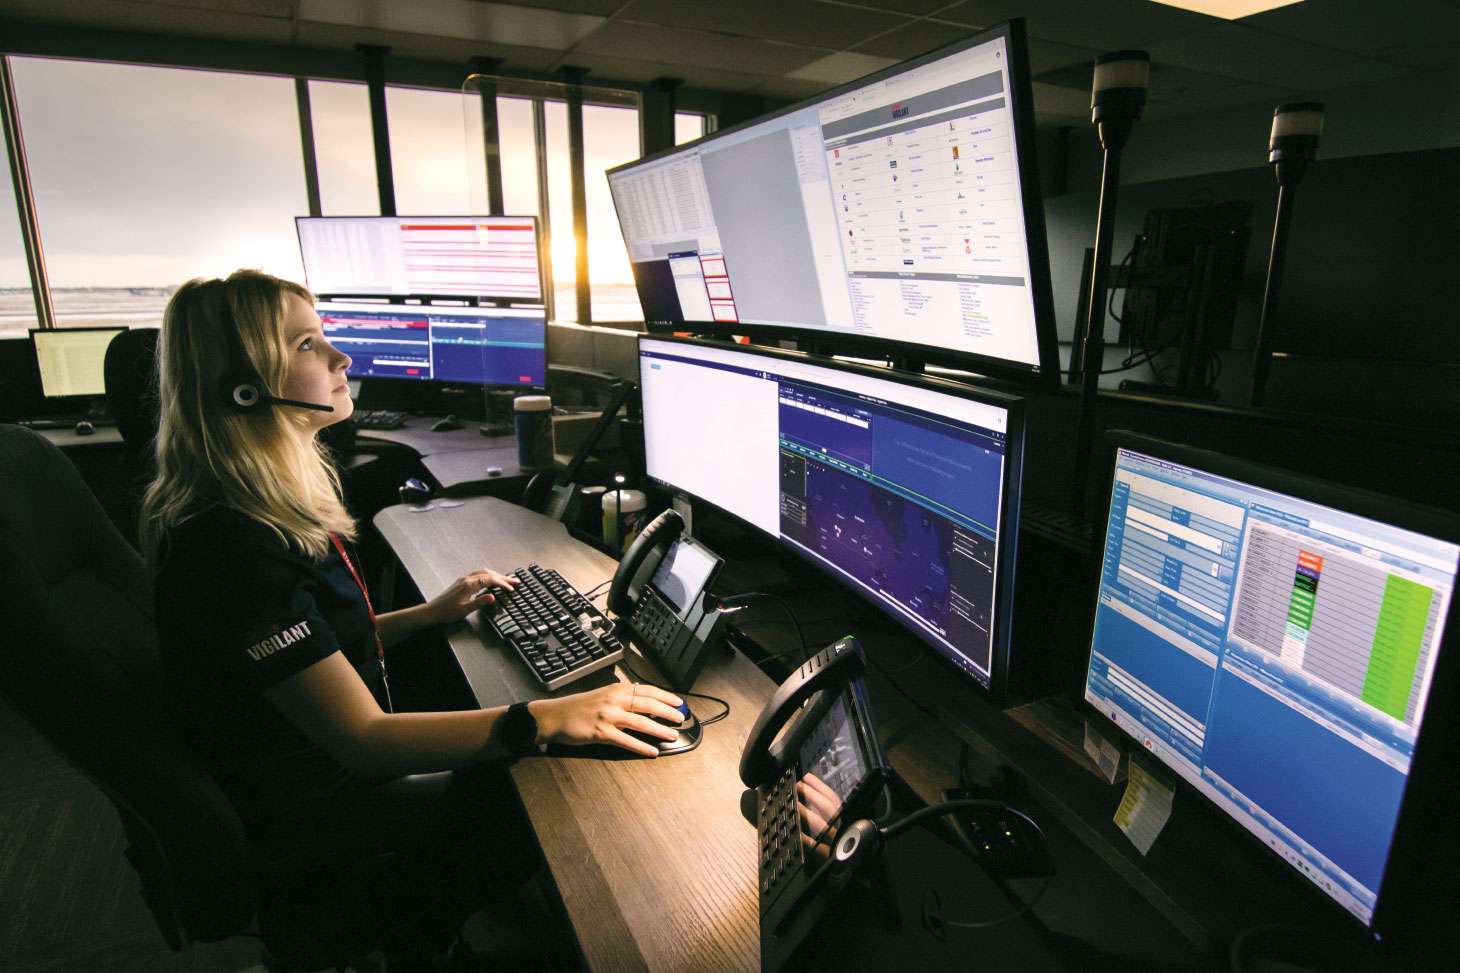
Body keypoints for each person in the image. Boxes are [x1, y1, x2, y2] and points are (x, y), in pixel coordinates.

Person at [140, 269, 681, 961]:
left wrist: (427, 614)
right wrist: (549, 717)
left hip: (310, 778)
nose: (341, 360)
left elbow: (312, 655)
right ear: (242, 389)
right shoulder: (232, 550)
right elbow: (363, 738)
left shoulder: (246, 506)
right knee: (553, 785)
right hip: (323, 828)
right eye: (309, 345)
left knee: (510, 715)